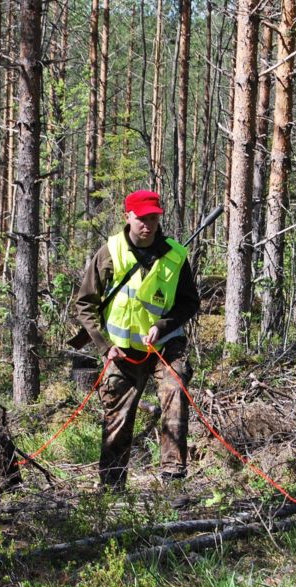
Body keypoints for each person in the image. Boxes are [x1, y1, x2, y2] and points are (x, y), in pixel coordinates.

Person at [74, 190, 201, 490]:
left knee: (175, 390)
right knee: (117, 415)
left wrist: (163, 325)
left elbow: (189, 303)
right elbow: (85, 303)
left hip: (165, 346)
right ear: (128, 216)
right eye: (142, 218)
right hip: (122, 352)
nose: (148, 224)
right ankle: (111, 488)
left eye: (154, 218)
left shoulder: (176, 255)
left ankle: (173, 482)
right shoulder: (110, 251)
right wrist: (105, 347)